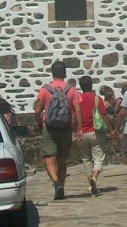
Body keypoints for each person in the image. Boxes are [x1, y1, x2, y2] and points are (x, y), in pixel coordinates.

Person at [33, 60, 83, 200]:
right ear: (65, 73)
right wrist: (79, 128)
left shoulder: (45, 89)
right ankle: (61, 185)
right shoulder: (72, 90)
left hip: (49, 127)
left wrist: (39, 123)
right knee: (62, 160)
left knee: (49, 157)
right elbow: (78, 110)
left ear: (52, 73)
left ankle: (56, 184)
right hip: (65, 128)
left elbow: (37, 110)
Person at [77, 76, 112, 195]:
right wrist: (111, 129)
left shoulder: (77, 100)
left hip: (81, 132)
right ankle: (94, 178)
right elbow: (104, 115)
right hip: (95, 132)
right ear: (91, 85)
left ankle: (91, 186)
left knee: (86, 160)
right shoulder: (96, 99)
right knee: (99, 157)